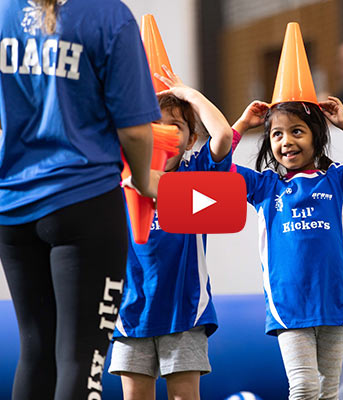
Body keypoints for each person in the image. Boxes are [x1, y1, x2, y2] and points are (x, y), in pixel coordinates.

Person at [0, 0, 162, 399]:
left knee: (35, 351)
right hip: (84, 201)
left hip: (12, 206)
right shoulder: (107, 15)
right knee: (79, 357)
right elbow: (137, 132)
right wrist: (143, 180)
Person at [231, 96, 343, 399]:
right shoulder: (264, 187)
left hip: (335, 303)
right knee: (305, 387)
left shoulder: (339, 180)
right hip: (289, 306)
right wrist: (242, 125)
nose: (286, 141)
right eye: (277, 134)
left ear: (316, 137)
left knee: (328, 391)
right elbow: (215, 166)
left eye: (297, 131)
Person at [108, 66, 233, 400]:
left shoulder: (198, 171)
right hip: (132, 310)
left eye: (174, 127)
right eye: (152, 126)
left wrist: (188, 94)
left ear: (191, 138)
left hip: (185, 309)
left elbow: (223, 136)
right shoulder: (119, 176)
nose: (162, 134)